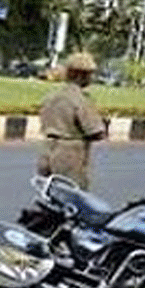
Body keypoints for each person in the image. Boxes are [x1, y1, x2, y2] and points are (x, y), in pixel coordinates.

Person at [38, 51, 107, 190]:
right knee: (74, 197)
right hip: (70, 155)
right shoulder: (81, 99)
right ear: (81, 75)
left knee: (50, 193)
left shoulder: (51, 97)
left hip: (47, 150)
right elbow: (95, 131)